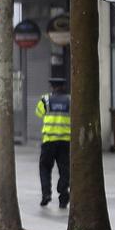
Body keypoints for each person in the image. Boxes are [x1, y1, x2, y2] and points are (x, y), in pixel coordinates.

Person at [35, 77, 71, 208]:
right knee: (65, 170)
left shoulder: (45, 100)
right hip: (65, 141)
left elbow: (39, 113)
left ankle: (46, 194)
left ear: (52, 87)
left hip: (49, 140)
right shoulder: (70, 100)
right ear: (63, 87)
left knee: (44, 168)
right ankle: (63, 195)